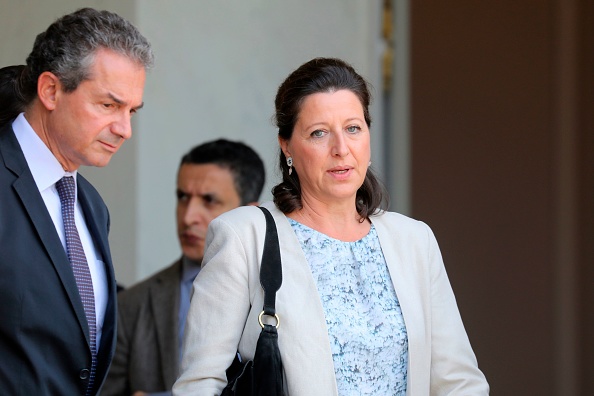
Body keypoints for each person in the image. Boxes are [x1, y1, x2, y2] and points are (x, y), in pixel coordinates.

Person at [173, 58, 490, 395]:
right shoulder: (244, 235)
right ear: (287, 146)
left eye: (353, 128)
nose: (341, 149)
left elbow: (458, 381)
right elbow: (201, 383)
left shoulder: (414, 240)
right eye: (319, 133)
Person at [0, 8, 153, 396]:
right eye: (108, 105)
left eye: (131, 111)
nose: (124, 130)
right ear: (50, 90)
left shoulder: (90, 204)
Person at [101, 139, 266, 396]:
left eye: (209, 200)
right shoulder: (130, 305)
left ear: (248, 213)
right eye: (182, 197)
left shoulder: (283, 294)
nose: (188, 217)